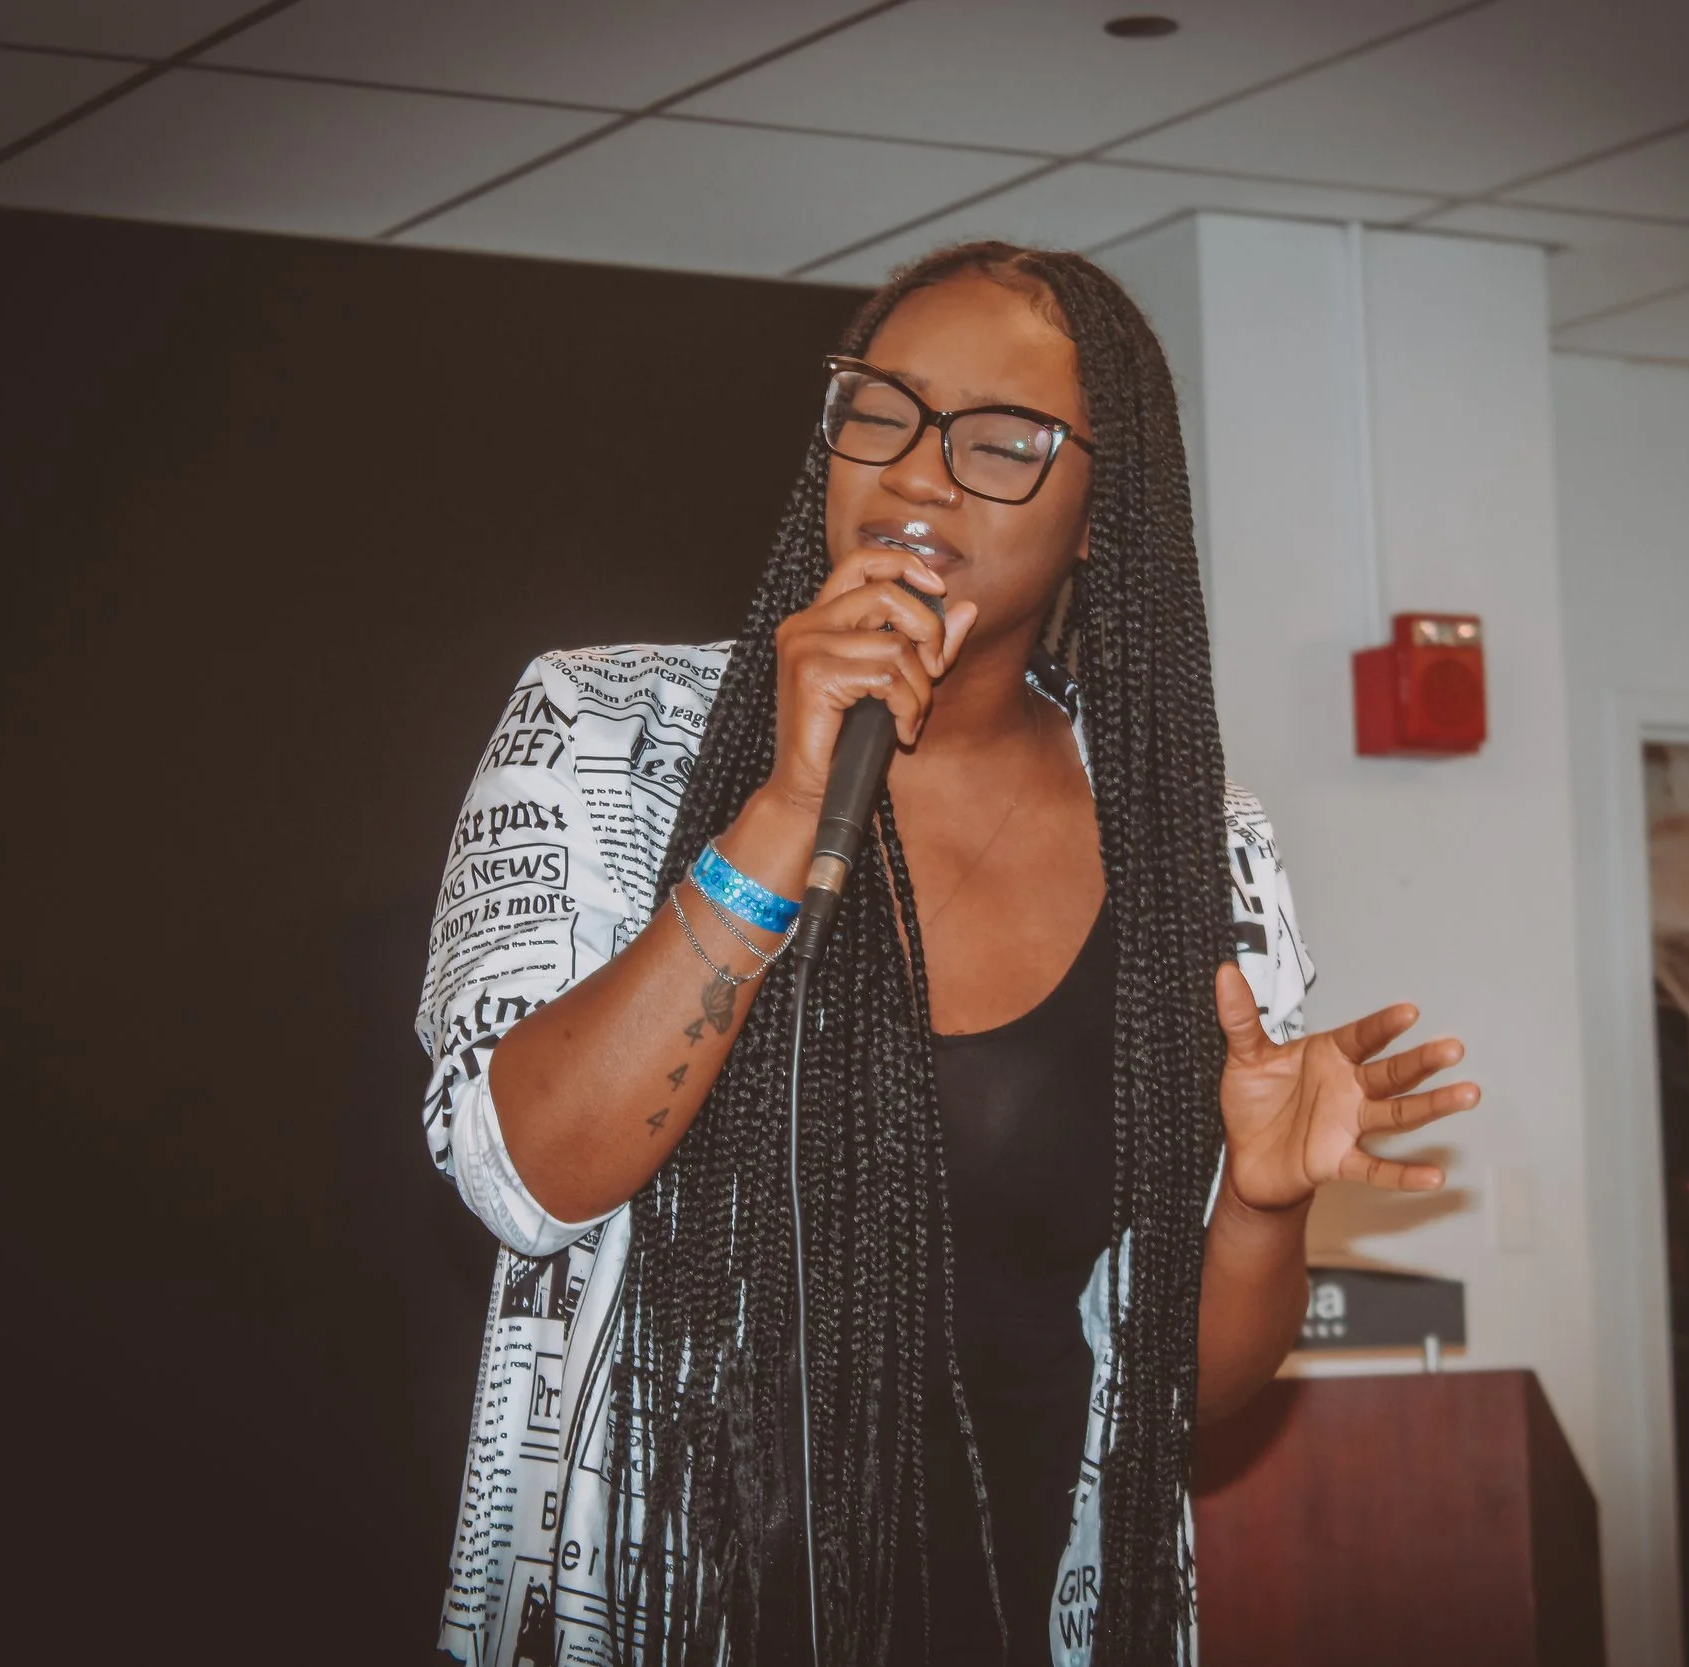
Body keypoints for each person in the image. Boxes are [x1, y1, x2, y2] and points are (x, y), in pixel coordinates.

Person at [417, 242, 1479, 1667]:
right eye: (882, 410)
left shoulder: (1189, 844)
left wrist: (1262, 1203)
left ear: (1103, 510)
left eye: (1002, 440)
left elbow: (1183, 1400)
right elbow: (521, 1178)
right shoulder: (603, 729)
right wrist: (783, 808)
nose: (919, 469)